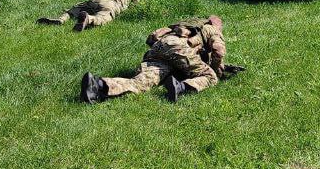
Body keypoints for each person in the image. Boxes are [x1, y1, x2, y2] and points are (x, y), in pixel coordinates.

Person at [80, 16, 245, 104]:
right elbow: (218, 50)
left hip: (158, 49)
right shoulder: (211, 29)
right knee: (210, 77)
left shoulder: (186, 24)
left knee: (141, 83)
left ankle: (98, 85)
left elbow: (151, 38)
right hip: (178, 49)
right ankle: (180, 87)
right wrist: (216, 70)